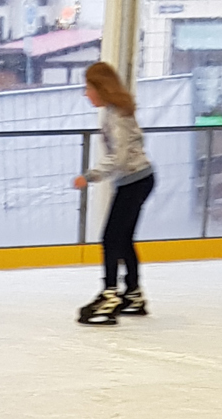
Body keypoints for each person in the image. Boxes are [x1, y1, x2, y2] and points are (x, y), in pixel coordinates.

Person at [73, 61, 156, 325]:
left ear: (101, 88)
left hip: (134, 180)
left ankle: (110, 295)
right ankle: (132, 293)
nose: (86, 94)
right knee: (123, 239)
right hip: (138, 178)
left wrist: (90, 176)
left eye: (88, 88)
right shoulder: (115, 111)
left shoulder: (116, 115)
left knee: (111, 239)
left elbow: (118, 157)